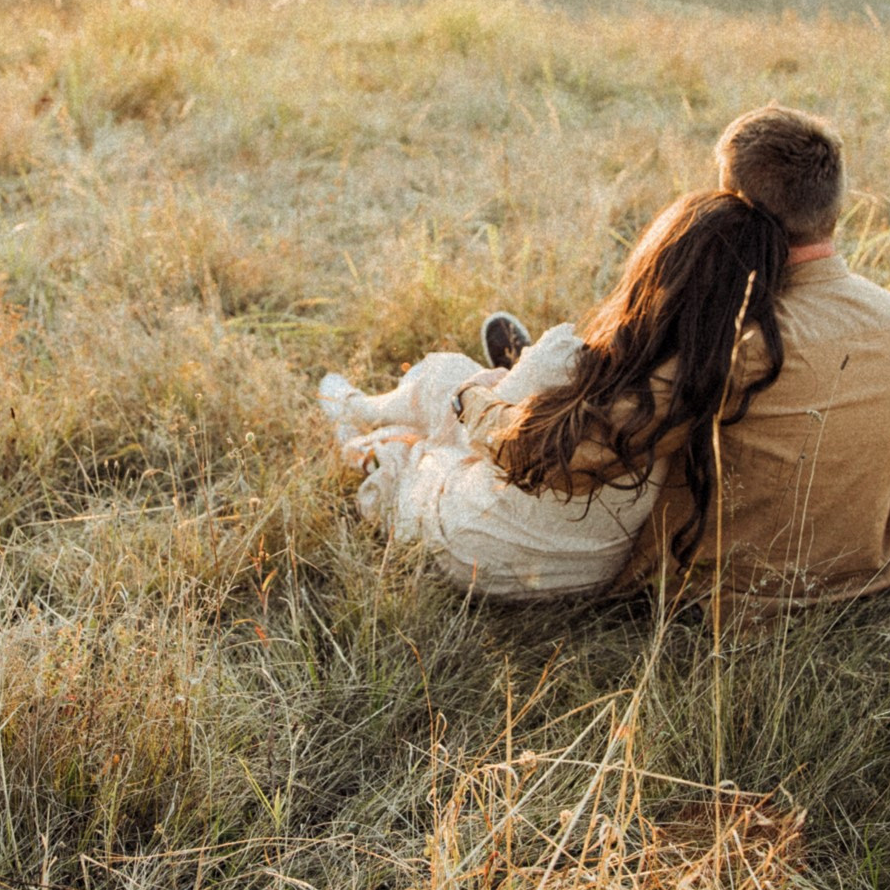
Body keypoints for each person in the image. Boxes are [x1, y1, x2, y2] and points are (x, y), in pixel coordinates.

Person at [322, 103, 890, 623]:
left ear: (736, 209)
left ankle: (472, 397)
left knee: (479, 419)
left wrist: (474, 404)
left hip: (739, 601)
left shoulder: (736, 342)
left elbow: (561, 454)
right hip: (869, 576)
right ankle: (523, 373)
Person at [321, 188, 793, 600]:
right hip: (593, 571)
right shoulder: (718, 384)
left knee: (448, 384)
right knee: (484, 395)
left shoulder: (570, 357)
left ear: (655, 271)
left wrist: (472, 395)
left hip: (479, 552)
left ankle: (358, 414)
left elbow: (493, 443)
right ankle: (472, 390)